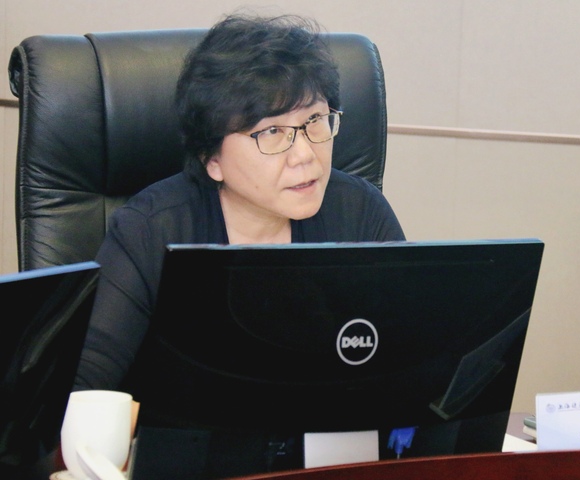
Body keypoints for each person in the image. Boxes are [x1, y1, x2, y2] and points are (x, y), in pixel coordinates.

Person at [74, 13, 405, 393]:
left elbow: (414, 354)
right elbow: (82, 383)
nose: (304, 155)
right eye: (272, 131)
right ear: (212, 158)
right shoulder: (151, 230)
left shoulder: (359, 212)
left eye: (315, 119)